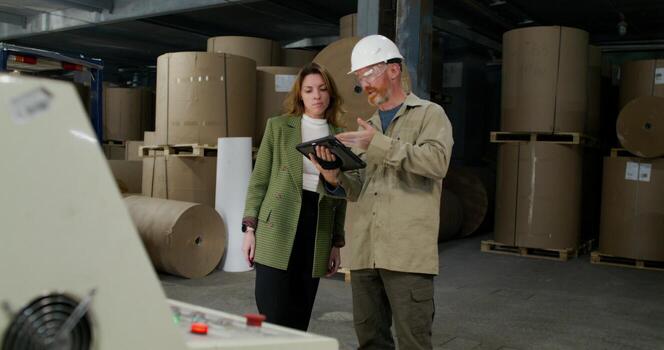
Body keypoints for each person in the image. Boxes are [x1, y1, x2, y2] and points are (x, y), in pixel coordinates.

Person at [311, 35, 454, 349]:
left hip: (406, 255)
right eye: (359, 77)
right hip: (365, 252)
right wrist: (334, 176)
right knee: (370, 340)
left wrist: (376, 144)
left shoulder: (429, 115)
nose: (364, 84)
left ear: (394, 70)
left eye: (369, 73)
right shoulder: (369, 126)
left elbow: (436, 162)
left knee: (413, 340)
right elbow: (360, 188)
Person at [241, 62, 347, 331]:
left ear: (331, 94)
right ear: (300, 94)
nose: (316, 95)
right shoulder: (278, 127)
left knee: (300, 314)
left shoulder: (338, 138)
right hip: (278, 223)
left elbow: (339, 196)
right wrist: (249, 229)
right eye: (309, 89)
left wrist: (336, 241)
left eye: (323, 89)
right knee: (272, 311)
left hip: (317, 225)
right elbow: (259, 180)